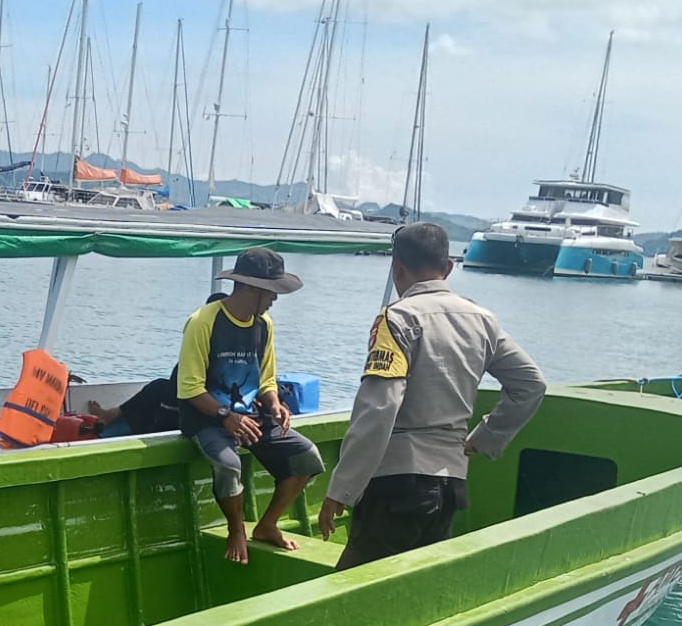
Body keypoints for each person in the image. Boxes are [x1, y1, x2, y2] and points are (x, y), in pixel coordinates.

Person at [318, 221, 545, 568]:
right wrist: (484, 437)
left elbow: (379, 409)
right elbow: (530, 385)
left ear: (397, 266)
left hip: (397, 484)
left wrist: (341, 490)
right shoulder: (483, 319)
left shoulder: (397, 319)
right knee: (413, 586)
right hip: (450, 484)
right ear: (449, 267)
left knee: (352, 590)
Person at [177, 247, 325, 564]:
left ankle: (267, 524)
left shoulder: (264, 325)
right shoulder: (204, 321)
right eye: (271, 292)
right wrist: (224, 416)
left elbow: (266, 379)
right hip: (207, 418)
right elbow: (189, 388)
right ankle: (236, 529)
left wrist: (274, 403)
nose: (274, 299)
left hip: (250, 415)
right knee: (230, 465)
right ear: (251, 288)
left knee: (308, 458)